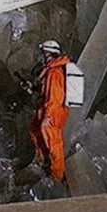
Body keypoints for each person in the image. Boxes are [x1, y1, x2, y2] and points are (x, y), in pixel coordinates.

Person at [27, 39, 72, 181]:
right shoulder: (50, 72)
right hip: (47, 110)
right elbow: (46, 90)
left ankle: (57, 175)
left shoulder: (55, 72)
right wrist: (33, 88)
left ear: (48, 54)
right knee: (35, 130)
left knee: (54, 143)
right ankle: (43, 160)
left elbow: (55, 96)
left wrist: (49, 116)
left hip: (53, 112)